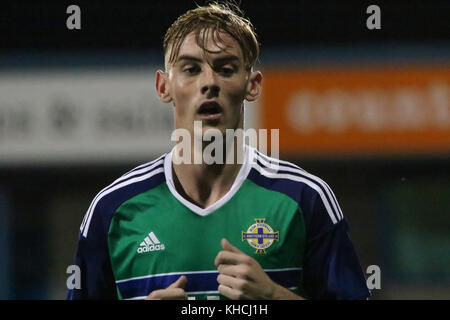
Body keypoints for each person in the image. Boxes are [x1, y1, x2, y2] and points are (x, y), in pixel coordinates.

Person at [67, 2, 370, 300]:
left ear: (252, 85)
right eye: (191, 69)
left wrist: (272, 295)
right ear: (163, 87)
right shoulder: (112, 209)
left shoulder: (305, 199)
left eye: (226, 69)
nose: (209, 83)